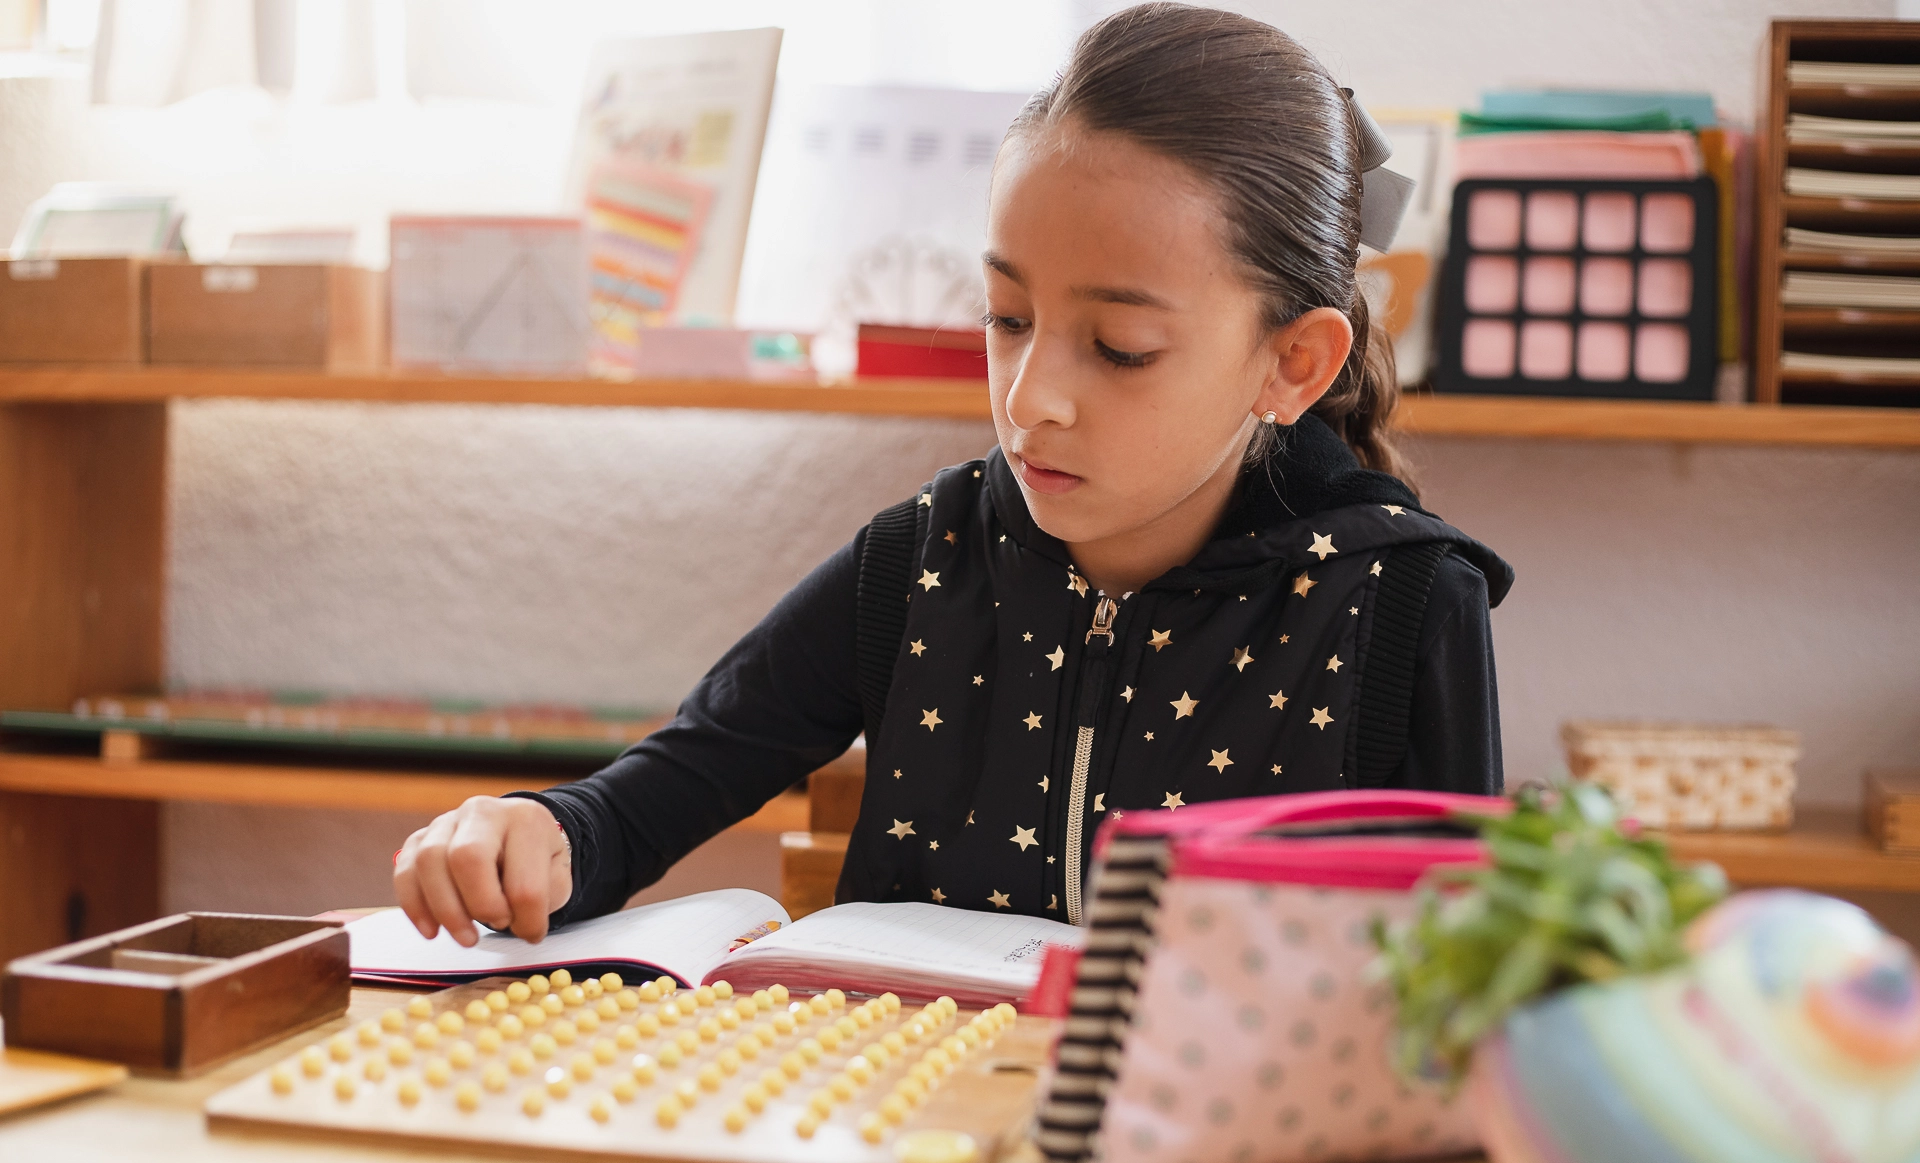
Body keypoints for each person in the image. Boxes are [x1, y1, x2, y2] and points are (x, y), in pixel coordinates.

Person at [393, 2, 1513, 947]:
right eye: (1007, 316)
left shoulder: (1402, 603)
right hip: (921, 1153)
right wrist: (531, 832)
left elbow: (1460, 996)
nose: (1030, 398)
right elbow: (646, 805)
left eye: (1120, 348)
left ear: (1293, 361)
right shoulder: (923, 560)